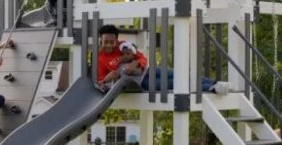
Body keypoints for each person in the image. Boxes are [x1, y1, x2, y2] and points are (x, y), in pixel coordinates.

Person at [95, 24, 230, 94]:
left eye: (112, 42)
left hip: (147, 71)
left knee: (179, 75)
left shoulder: (123, 46)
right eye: (105, 42)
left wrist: (136, 62)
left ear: (116, 40)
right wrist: (110, 78)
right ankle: (211, 87)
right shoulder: (100, 59)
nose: (109, 45)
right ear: (100, 40)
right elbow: (101, 81)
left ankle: (215, 82)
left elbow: (142, 58)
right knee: (175, 84)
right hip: (140, 83)